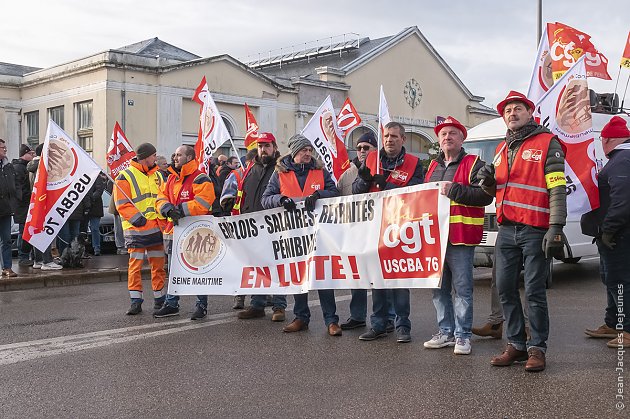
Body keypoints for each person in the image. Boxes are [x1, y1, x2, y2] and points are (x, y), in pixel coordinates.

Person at [477, 90, 567, 372]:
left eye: (518, 109)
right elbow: (495, 191)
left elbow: (557, 187)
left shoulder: (548, 142)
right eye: (507, 111)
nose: (512, 114)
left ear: (530, 113)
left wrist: (556, 227)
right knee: (504, 288)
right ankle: (516, 345)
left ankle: (537, 349)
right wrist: (487, 182)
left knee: (535, 291)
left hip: (535, 230)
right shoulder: (501, 150)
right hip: (507, 230)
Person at [422, 116, 493, 355]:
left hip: (461, 236)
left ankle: (462, 336)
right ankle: (445, 332)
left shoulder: (474, 164)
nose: (447, 137)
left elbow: (485, 196)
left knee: (462, 289)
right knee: (438, 288)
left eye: (453, 133)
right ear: (439, 140)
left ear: (462, 138)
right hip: (436, 239)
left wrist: (454, 190)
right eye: (443, 134)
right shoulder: (433, 166)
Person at [261, 134, 342, 335]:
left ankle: (331, 321)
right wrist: (281, 200)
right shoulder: (279, 173)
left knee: (323, 277)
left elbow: (335, 192)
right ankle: (301, 318)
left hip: (319, 234)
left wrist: (319, 195)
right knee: (299, 277)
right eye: (304, 150)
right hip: (293, 235)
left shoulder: (320, 170)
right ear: (295, 152)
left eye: (310, 150)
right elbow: (266, 199)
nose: (308, 153)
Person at [353, 122, 425, 343]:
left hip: (400, 228)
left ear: (403, 139)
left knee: (399, 278)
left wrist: (388, 187)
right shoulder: (371, 159)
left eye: (394, 136)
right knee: (377, 278)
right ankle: (378, 324)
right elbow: (356, 191)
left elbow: (417, 192)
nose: (389, 140)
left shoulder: (414, 163)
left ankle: (402, 325)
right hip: (374, 227)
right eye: (386, 136)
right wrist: (364, 178)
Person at [224, 133, 287, 321]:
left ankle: (279, 306)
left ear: (274, 147)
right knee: (256, 267)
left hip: (274, 226)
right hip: (252, 227)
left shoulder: (281, 168)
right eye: (260, 146)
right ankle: (257, 305)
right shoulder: (251, 168)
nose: (263, 149)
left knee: (276, 267)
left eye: (267, 146)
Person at [337, 131, 395, 332]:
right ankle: (357, 315)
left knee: (382, 276)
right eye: (359, 147)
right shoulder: (347, 173)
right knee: (357, 275)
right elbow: (337, 197)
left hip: (380, 231)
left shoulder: (383, 166)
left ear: (374, 150)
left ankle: (389, 317)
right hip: (355, 231)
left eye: (367, 147)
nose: (362, 151)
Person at [153, 145, 216, 320]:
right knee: (174, 271)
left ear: (189, 158)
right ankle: (172, 304)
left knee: (198, 270)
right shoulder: (171, 178)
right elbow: (160, 198)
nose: (175, 157)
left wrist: (179, 210)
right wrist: (166, 209)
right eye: (175, 155)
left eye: (179, 155)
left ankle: (201, 305)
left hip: (195, 234)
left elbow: (203, 203)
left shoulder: (200, 178)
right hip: (174, 232)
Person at [584, 116, 630, 348]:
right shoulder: (621, 159)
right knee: (611, 278)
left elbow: (623, 200)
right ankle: (612, 323)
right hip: (617, 233)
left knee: (618, 281)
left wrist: (609, 230)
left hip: (619, 235)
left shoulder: (621, 160)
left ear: (608, 139)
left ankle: (627, 329)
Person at [115, 142, 167, 315]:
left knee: (158, 266)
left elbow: (162, 197)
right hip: (136, 229)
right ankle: (136, 301)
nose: (156, 158)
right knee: (135, 266)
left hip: (157, 228)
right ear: (145, 157)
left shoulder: (158, 175)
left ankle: (160, 299)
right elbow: (121, 204)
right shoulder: (125, 176)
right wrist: (138, 220)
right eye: (153, 155)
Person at [27, 143, 62, 270]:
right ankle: (47, 261)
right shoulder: (42, 166)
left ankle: (38, 259)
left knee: (38, 230)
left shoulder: (31, 166)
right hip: (44, 201)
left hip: (36, 201)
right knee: (45, 230)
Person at [12, 144, 35, 266]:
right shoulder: (19, 168)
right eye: (31, 154)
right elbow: (20, 189)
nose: (33, 156)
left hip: (26, 205)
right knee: (23, 232)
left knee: (27, 231)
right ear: (24, 154)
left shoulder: (25, 167)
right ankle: (23, 256)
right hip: (23, 206)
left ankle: (27, 255)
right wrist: (29, 197)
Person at [0, 138, 18, 277]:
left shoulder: (8, 166)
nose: (5, 150)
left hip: (6, 209)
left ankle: (7, 267)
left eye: (5, 147)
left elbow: (15, 185)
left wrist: (16, 199)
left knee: (6, 239)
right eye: (2, 148)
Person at [85, 172, 107, 256]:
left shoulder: (97, 177)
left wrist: (89, 199)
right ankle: (84, 249)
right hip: (84, 207)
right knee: (83, 230)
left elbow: (99, 190)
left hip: (95, 208)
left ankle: (96, 248)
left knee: (94, 228)